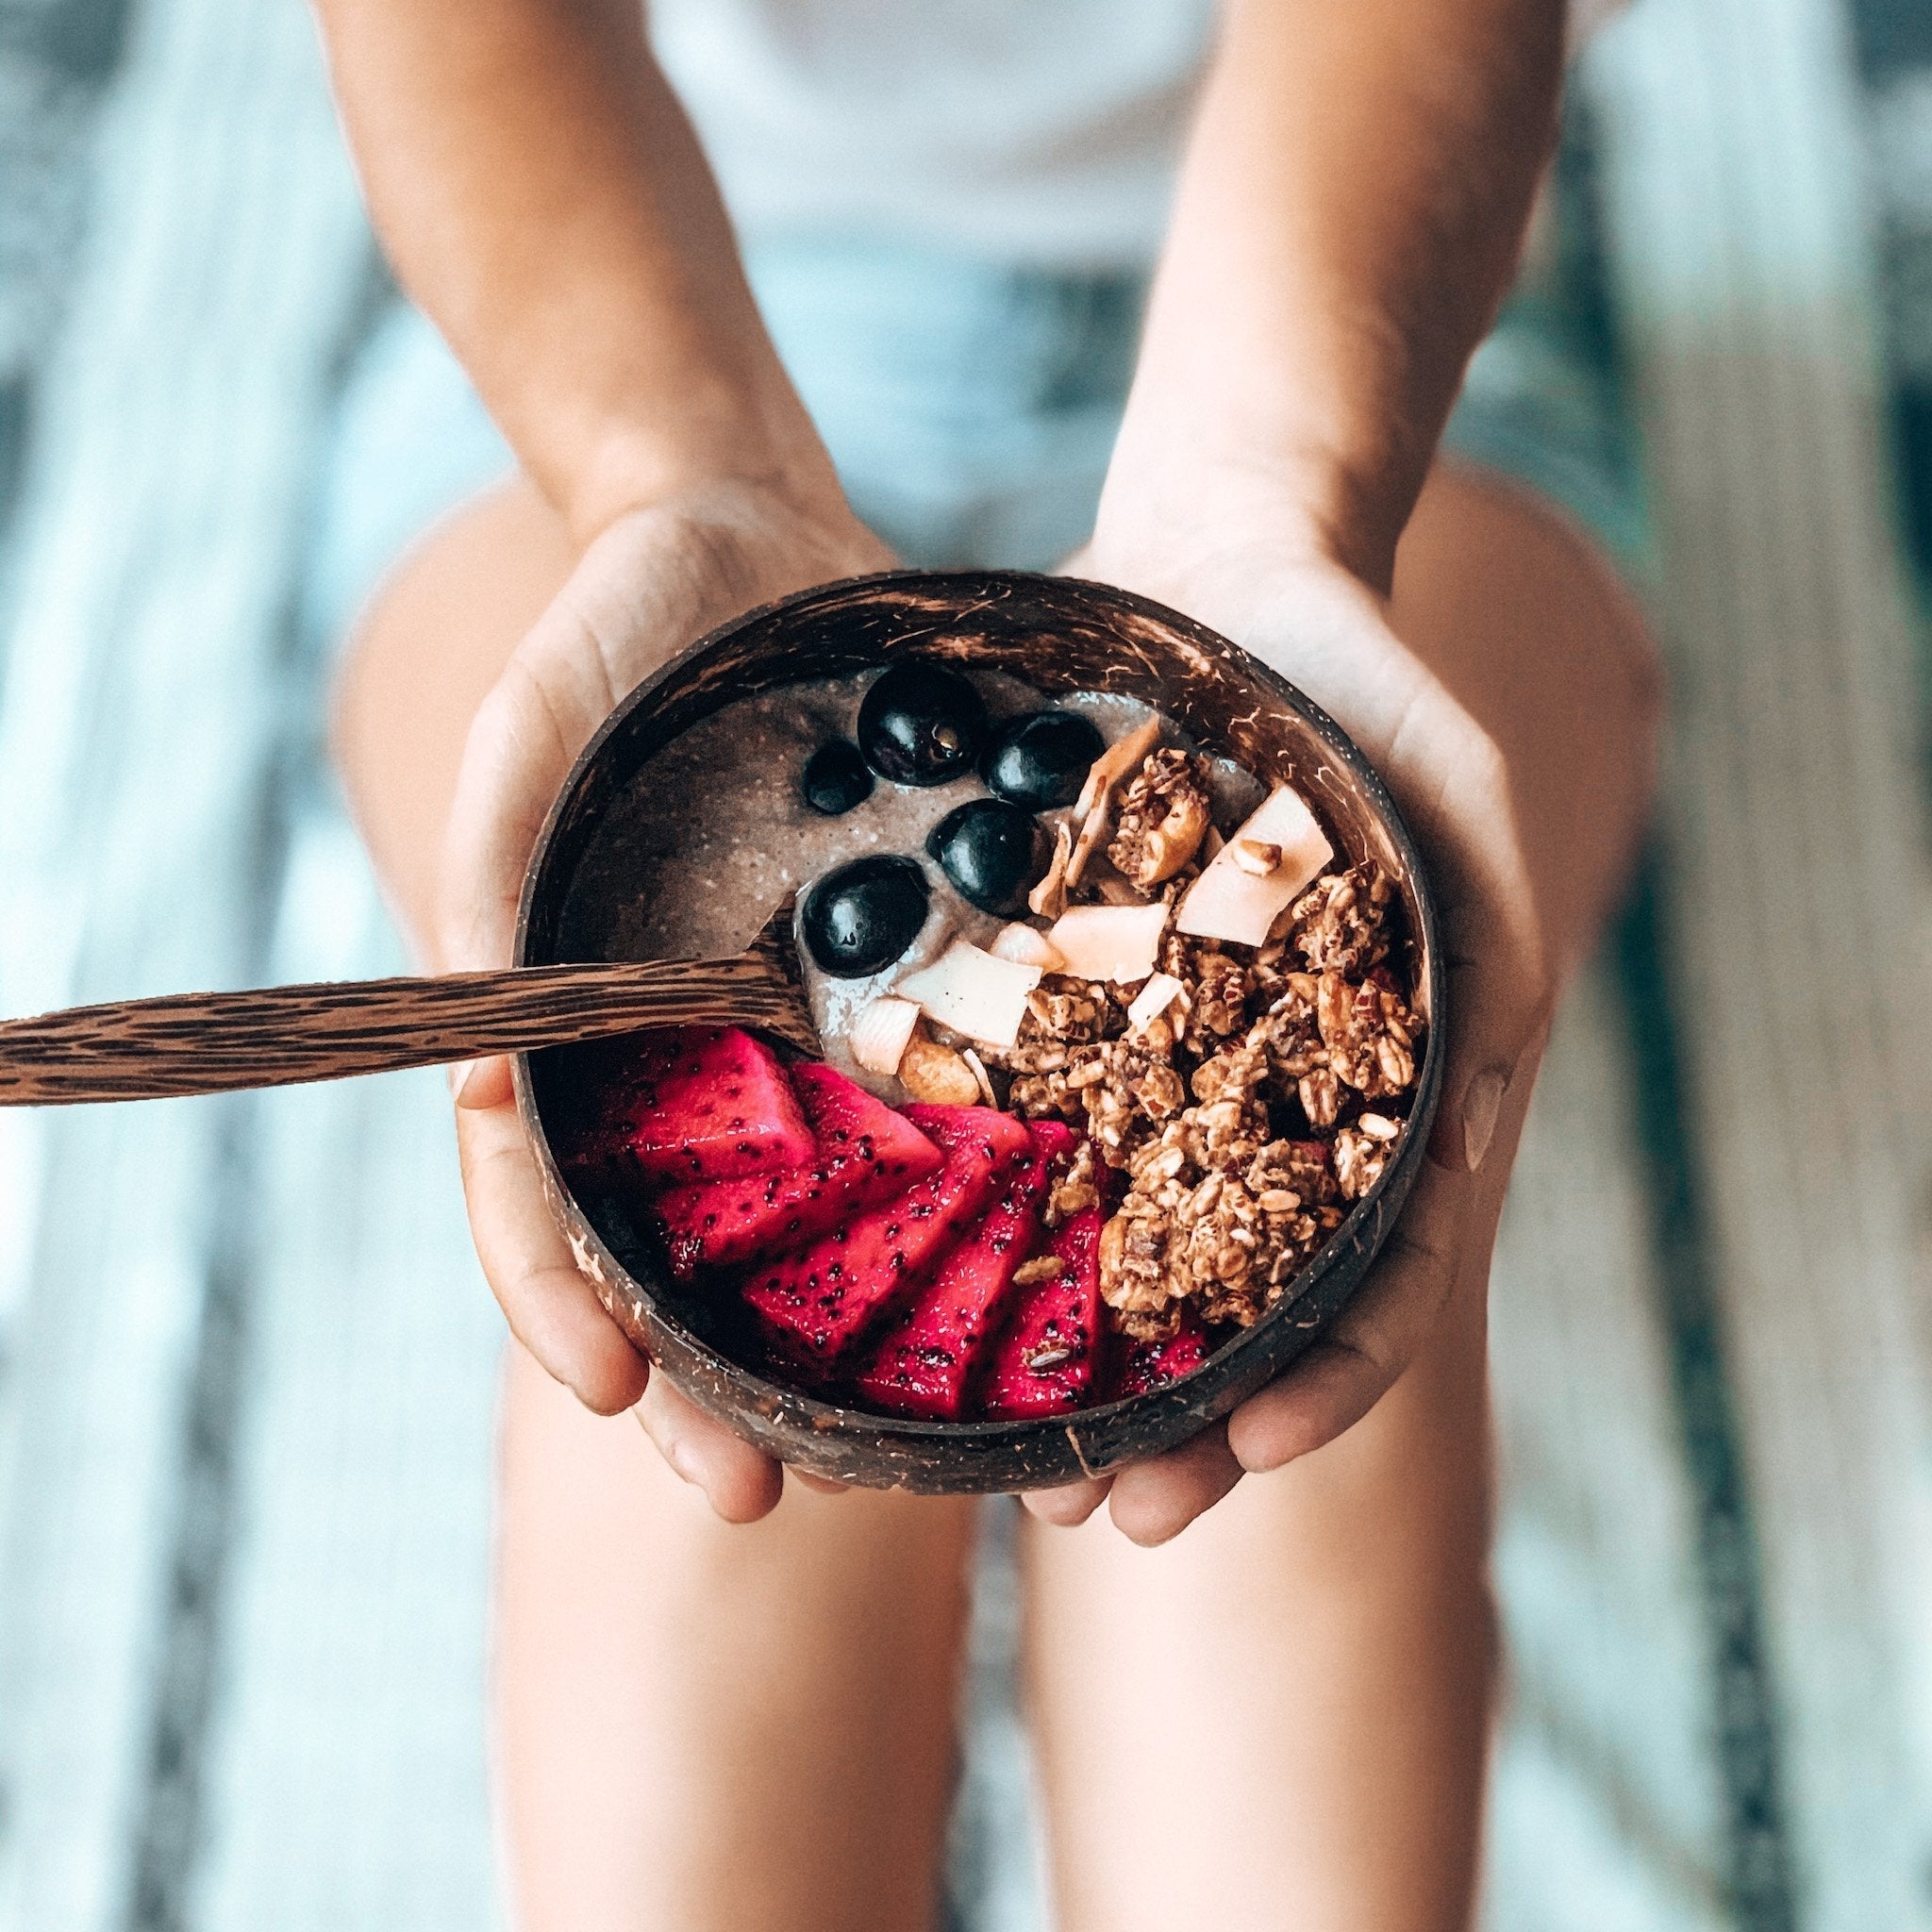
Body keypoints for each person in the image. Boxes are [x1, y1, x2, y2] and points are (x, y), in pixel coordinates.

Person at [311, 1, 1660, 1924]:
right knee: (679, 1420)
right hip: (616, 296)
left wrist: (1273, 498)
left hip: (1368, 303)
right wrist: (672, 474)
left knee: (1284, 1433)